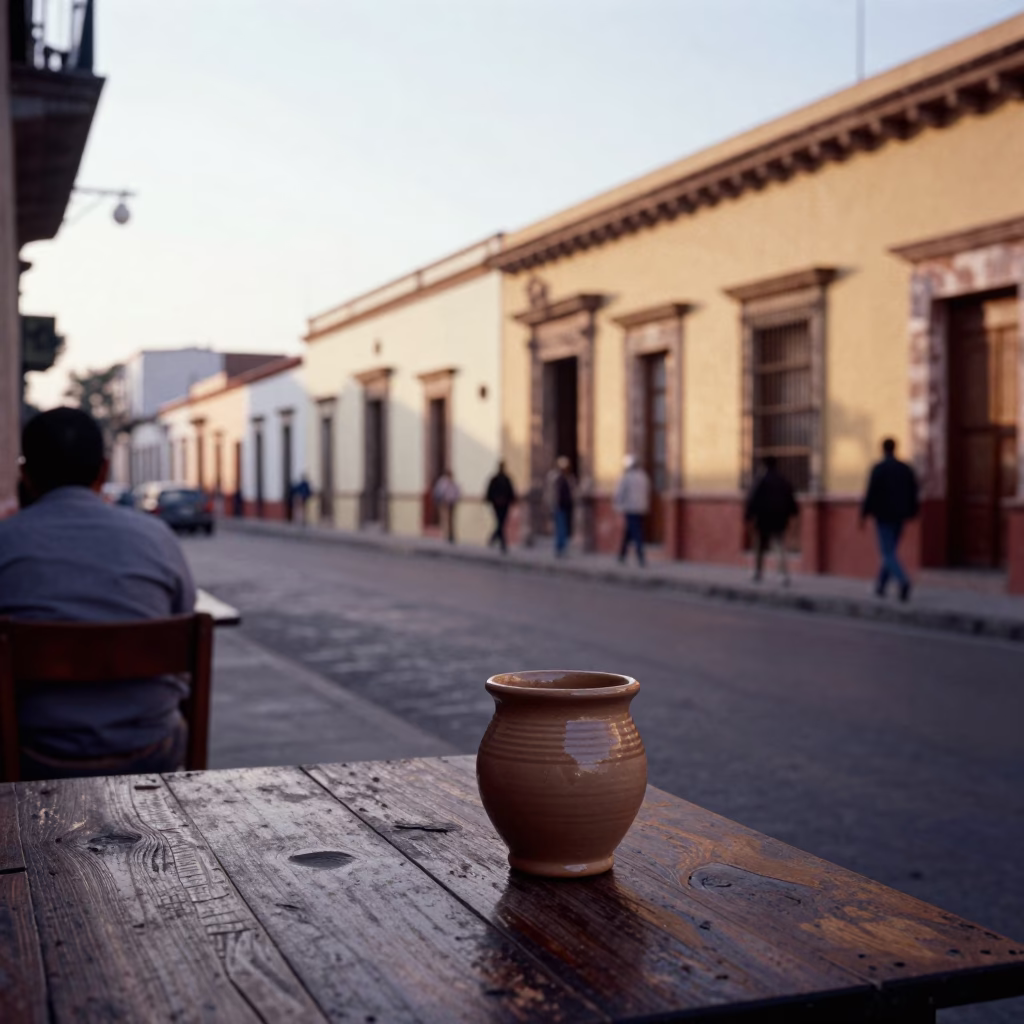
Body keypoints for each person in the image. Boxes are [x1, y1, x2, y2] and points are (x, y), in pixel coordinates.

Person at [0, 407, 196, 780]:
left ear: (25, 474)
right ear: (104, 470)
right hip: (150, 752)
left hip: (29, 755)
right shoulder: (158, 538)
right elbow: (184, 636)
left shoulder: (4, 542)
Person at [861, 437, 919, 601]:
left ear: (883, 449)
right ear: (895, 448)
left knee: (888, 553)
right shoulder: (905, 468)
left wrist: (863, 515)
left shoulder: (878, 469)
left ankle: (903, 580)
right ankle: (881, 585)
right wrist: (913, 512)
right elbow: (914, 491)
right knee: (890, 551)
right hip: (900, 516)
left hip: (884, 517)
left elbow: (871, 493)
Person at [745, 456, 799, 584]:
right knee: (778, 544)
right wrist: (793, 514)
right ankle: (783, 574)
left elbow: (752, 499)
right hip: (779, 517)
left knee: (759, 546)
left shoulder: (760, 480)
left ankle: (757, 572)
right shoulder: (783, 480)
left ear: (764, 466)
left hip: (763, 518)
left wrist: (748, 516)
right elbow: (791, 499)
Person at [614, 454, 651, 567]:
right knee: (629, 532)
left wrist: (618, 506)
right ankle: (622, 554)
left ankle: (641, 556)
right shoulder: (643, 476)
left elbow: (620, 493)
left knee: (636, 532)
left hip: (631, 508)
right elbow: (647, 492)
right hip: (641, 508)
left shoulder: (627, 477)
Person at [545, 456, 576, 557]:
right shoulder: (555, 478)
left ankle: (562, 547)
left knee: (563, 527)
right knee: (560, 527)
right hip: (558, 506)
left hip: (566, 506)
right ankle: (560, 547)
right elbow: (551, 493)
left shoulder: (569, 478)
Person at [485, 461, 516, 553]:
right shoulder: (495, 479)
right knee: (500, 522)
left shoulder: (506, 479)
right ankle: (503, 543)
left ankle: (494, 538)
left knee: (501, 522)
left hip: (505, 504)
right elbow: (490, 492)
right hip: (497, 504)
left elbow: (511, 492)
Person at [433, 468, 461, 544]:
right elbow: (438, 492)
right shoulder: (442, 483)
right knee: (445, 519)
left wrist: (456, 499)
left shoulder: (453, 483)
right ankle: (445, 535)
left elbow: (457, 492)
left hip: (452, 503)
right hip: (444, 503)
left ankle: (451, 535)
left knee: (451, 520)